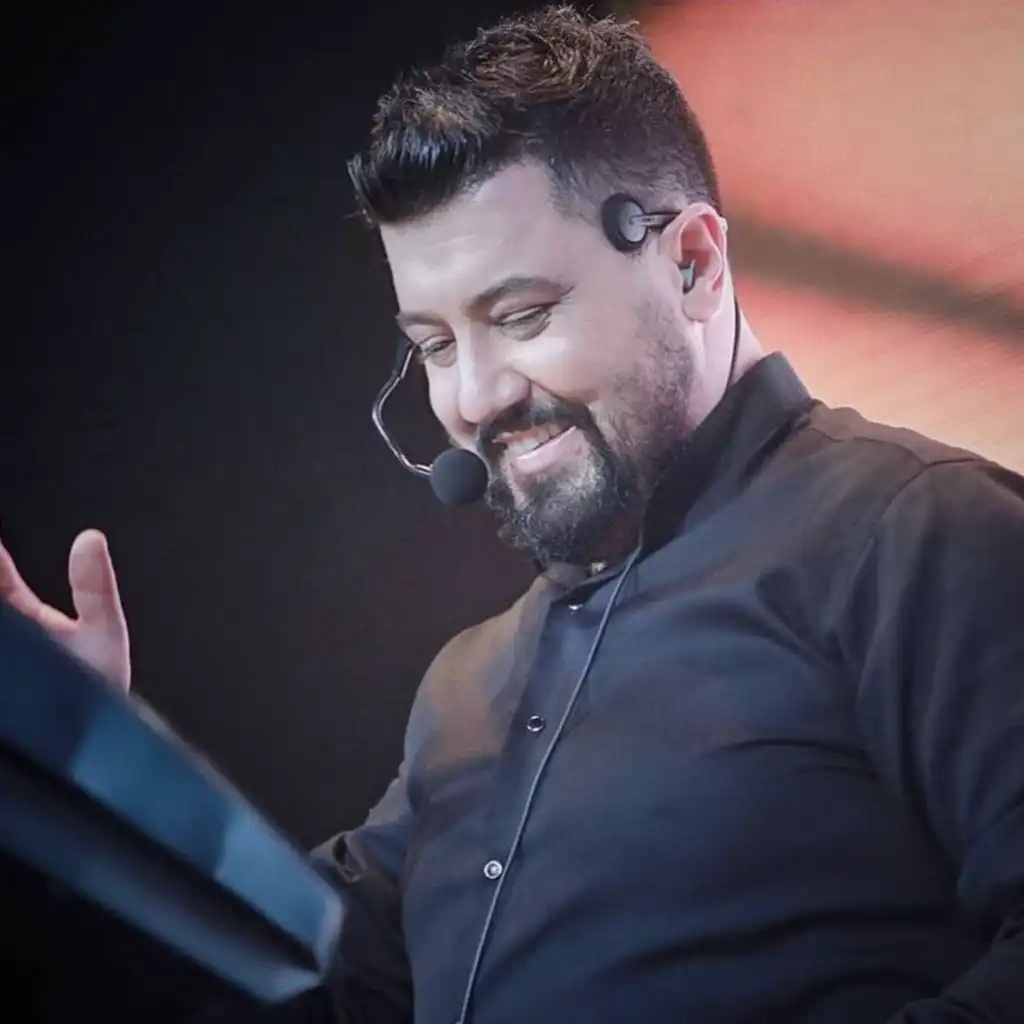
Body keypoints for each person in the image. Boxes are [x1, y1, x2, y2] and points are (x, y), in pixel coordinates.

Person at [3, 6, 1023, 1022]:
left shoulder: (920, 534)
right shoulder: (468, 685)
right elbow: (296, 987)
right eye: (436, 345)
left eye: (522, 315)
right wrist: (81, 765)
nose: (474, 397)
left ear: (693, 264)